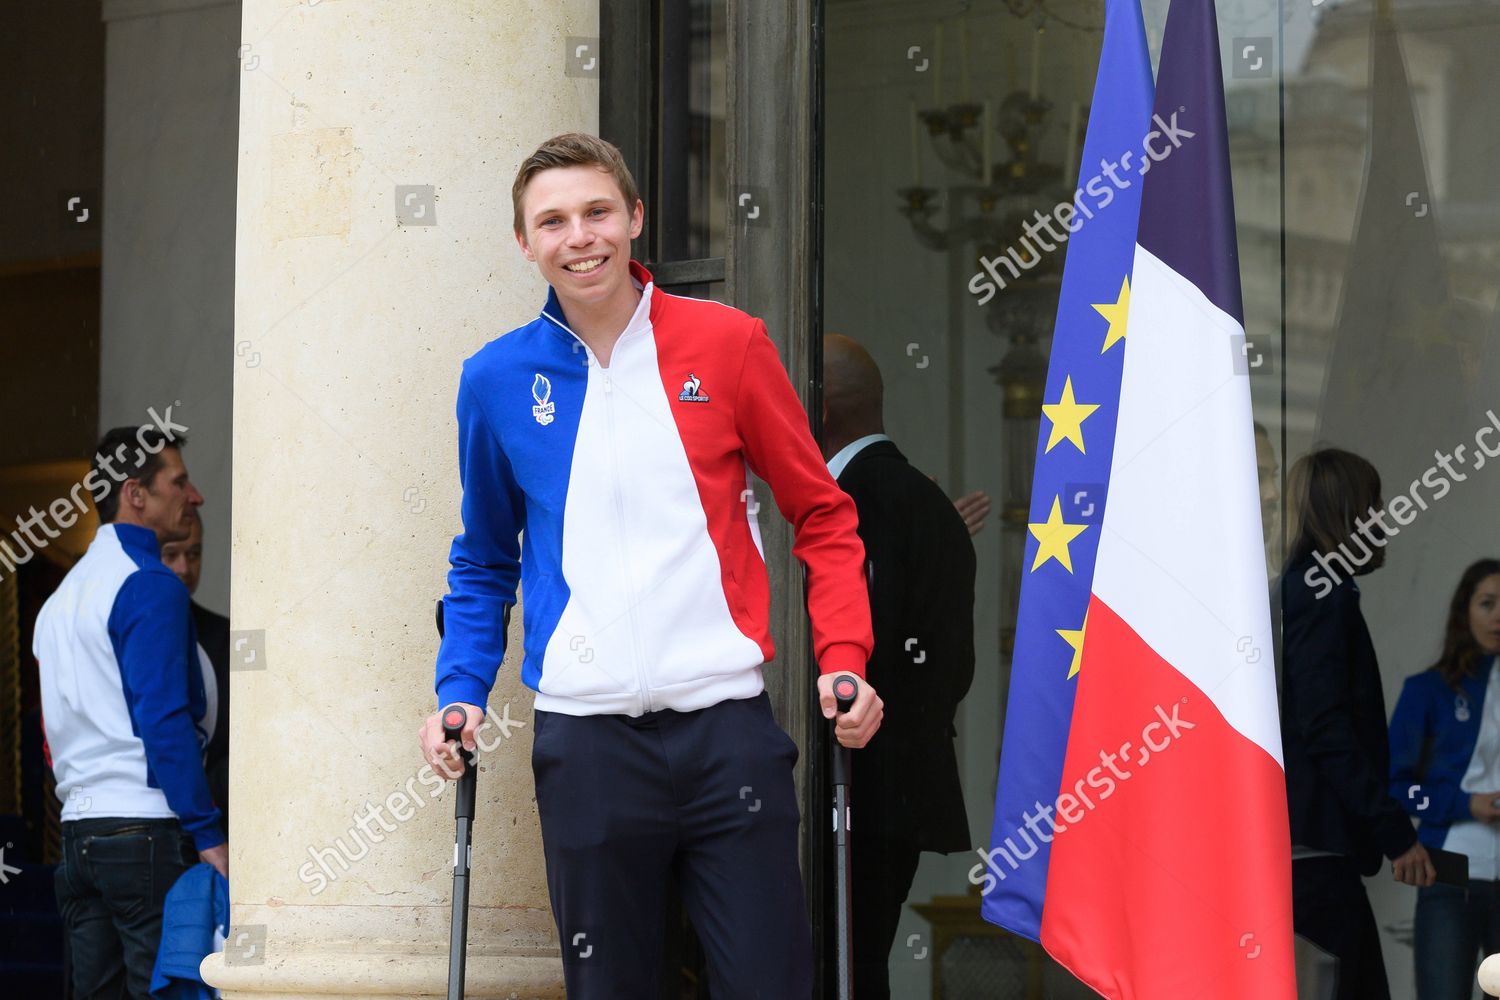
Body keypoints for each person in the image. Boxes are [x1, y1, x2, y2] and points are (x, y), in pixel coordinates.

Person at [417, 132, 881, 999]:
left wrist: (844, 659)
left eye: (596, 211)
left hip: (726, 736)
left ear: (633, 218)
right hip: (586, 749)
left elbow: (823, 512)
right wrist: (460, 691)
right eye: (551, 221)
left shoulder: (729, 344)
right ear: (525, 243)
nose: (578, 236)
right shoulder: (494, 379)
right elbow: (483, 561)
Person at [34, 426, 226, 1000]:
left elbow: (52, 736)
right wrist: (210, 834)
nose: (194, 498)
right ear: (135, 494)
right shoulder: (149, 584)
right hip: (143, 831)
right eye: (179, 482)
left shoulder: (59, 600)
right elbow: (163, 720)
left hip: (76, 839)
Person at [818, 334, 975, 998]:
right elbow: (952, 665)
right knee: (863, 962)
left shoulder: (852, 501)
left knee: (840, 967)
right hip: (904, 784)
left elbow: (863, 642)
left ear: (821, 409)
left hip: (856, 782)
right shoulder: (926, 501)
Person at [1278, 447, 1433, 1000]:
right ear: (1347, 513)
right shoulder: (1322, 595)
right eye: (1374, 503)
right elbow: (1325, 728)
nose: (1384, 516)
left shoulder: (1303, 588)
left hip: (1304, 848)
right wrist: (1394, 832)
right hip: (1314, 853)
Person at [1390, 558, 1500, 1000]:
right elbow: (1396, 788)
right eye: (1488, 603)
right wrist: (1462, 804)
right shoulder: (1428, 690)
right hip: (1452, 869)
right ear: (1464, 611)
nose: (1498, 616)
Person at [161, 510, 230, 828]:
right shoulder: (131, 630)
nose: (184, 568)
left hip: (216, 817)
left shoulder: (224, 636)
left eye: (194, 554)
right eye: (171, 554)